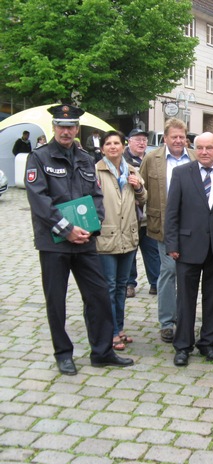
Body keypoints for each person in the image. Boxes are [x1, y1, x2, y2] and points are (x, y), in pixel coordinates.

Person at [24, 104, 133, 375]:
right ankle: (63, 353)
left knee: (98, 296)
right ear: (54, 128)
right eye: (62, 126)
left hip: (85, 242)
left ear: (77, 129)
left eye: (71, 126)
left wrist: (90, 227)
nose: (66, 131)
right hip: (54, 242)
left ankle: (101, 351)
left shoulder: (85, 158)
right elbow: (39, 200)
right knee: (56, 300)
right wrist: (67, 229)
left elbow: (97, 195)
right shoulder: (39, 157)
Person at [165, 132, 213, 366]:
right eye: (199, 148)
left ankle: (208, 343)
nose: (204, 152)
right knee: (185, 300)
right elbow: (172, 213)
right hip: (187, 247)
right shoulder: (181, 174)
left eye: (209, 148)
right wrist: (172, 244)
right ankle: (182, 346)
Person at [139, 118, 195, 343]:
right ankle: (167, 322)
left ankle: (184, 317)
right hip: (162, 224)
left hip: (191, 225)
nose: (179, 141)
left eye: (182, 137)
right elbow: (140, 189)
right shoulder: (152, 159)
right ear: (165, 139)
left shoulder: (194, 157)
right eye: (174, 137)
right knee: (169, 270)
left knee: (187, 273)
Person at [95, 130, 147, 351]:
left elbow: (144, 198)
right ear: (103, 148)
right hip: (106, 237)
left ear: (123, 146)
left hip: (128, 236)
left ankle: (120, 328)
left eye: (117, 143)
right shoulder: (95, 171)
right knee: (108, 286)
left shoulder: (131, 169)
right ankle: (111, 332)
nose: (113, 147)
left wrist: (139, 187)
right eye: (109, 143)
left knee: (121, 287)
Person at [123, 129, 160, 298]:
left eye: (144, 140)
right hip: (128, 215)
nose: (141, 143)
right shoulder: (122, 160)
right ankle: (129, 283)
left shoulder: (152, 159)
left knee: (152, 251)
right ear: (129, 141)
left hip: (148, 215)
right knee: (130, 251)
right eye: (137, 139)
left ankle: (156, 282)